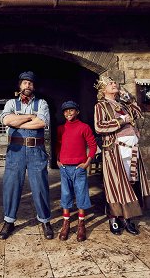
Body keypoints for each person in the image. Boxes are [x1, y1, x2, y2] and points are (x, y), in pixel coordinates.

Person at [0, 71, 53, 240]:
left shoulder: (42, 103)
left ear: (33, 86)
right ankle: (9, 221)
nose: (27, 85)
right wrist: (30, 117)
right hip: (16, 150)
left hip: (36, 150)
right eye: (24, 83)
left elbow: (42, 122)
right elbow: (6, 120)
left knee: (40, 186)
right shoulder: (10, 103)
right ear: (20, 85)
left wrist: (19, 119)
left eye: (30, 83)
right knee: (11, 185)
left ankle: (45, 220)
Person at [94, 75, 150, 235]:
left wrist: (130, 100)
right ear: (103, 89)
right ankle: (114, 217)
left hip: (132, 148)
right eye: (110, 83)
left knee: (129, 182)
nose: (114, 84)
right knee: (115, 184)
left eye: (114, 82)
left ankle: (127, 218)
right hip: (114, 149)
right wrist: (121, 121)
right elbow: (99, 127)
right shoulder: (101, 106)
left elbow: (139, 114)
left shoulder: (123, 104)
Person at [56, 101, 97, 241]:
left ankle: (81, 223)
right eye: (65, 111)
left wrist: (87, 162)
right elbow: (58, 145)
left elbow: (92, 145)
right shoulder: (61, 128)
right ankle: (66, 223)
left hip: (79, 168)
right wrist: (58, 159)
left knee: (81, 194)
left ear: (77, 112)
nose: (68, 113)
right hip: (64, 168)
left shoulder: (84, 127)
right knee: (66, 194)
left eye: (71, 110)